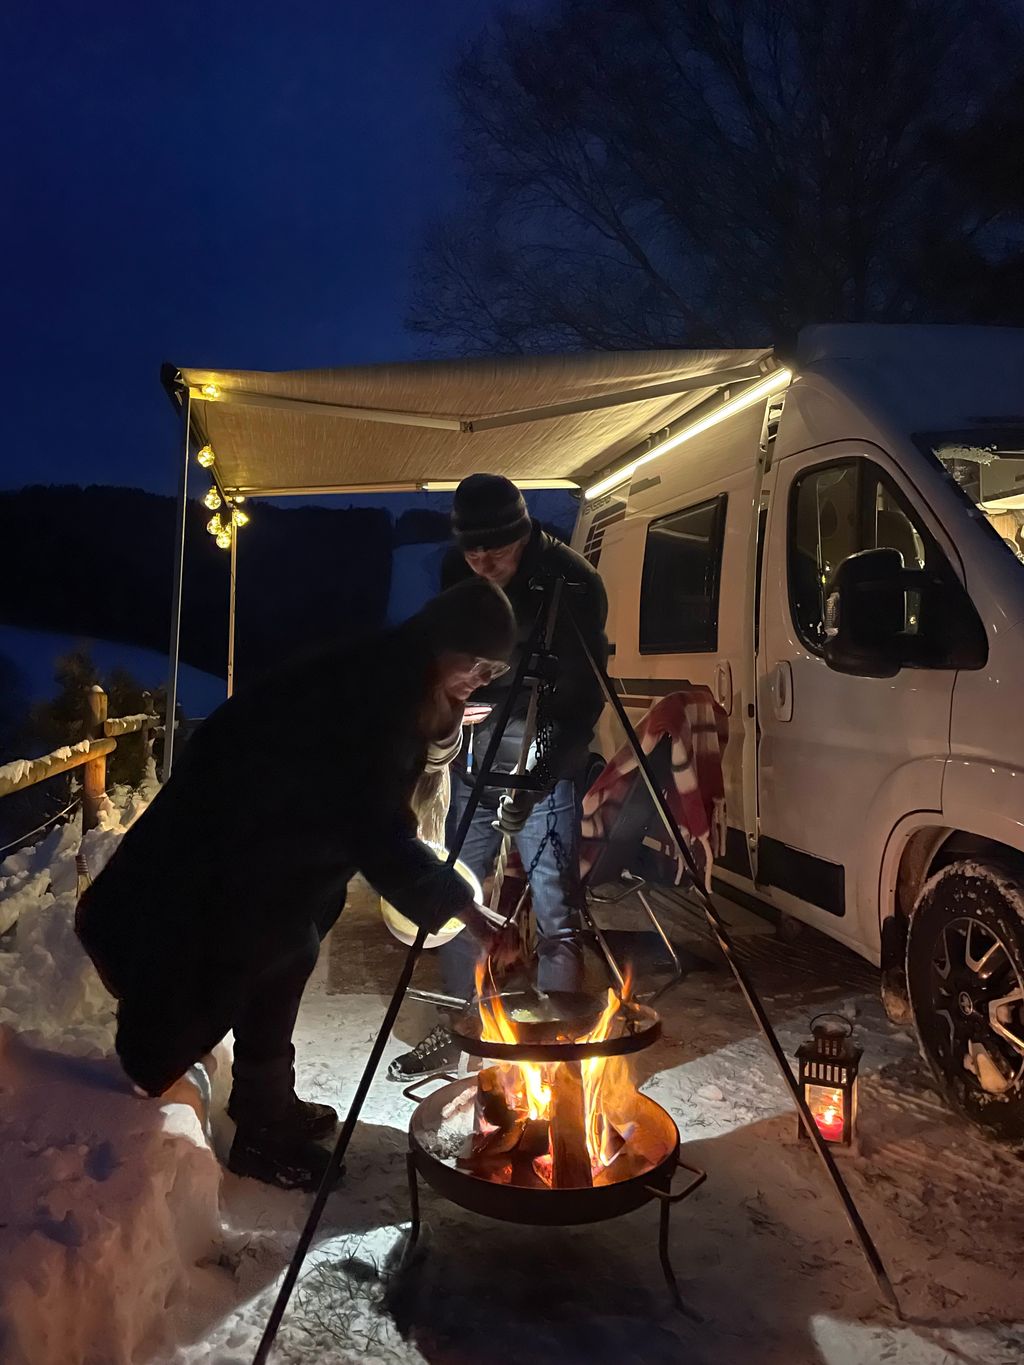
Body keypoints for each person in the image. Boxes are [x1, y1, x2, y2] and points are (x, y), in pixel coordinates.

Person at [76, 578, 517, 1191]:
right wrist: (465, 908)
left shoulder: (398, 673)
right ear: (445, 642)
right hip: (222, 851)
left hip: (267, 848)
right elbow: (374, 824)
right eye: (479, 664)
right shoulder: (380, 693)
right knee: (230, 966)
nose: (484, 678)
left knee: (286, 956)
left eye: (495, 671)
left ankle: (266, 1104)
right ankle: (260, 1137)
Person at [389, 474, 608, 1081]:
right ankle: (466, 1032)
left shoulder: (572, 582)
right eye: (472, 551)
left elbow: (581, 702)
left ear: (524, 533)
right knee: (460, 897)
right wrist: (448, 703)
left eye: (497, 550)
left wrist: (536, 777)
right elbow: (442, 657)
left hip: (543, 762)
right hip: (473, 761)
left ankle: (557, 1053)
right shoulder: (459, 573)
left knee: (556, 910)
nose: (483, 563)